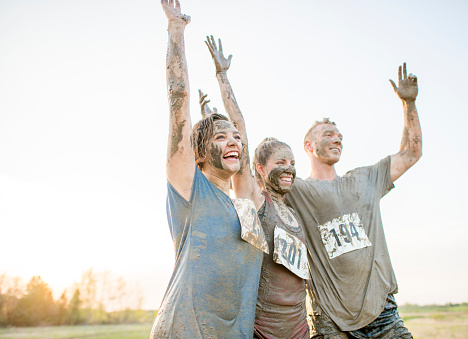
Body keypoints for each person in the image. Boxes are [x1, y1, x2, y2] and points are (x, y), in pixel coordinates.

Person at [150, 1, 264, 338]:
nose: (233, 142)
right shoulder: (189, 187)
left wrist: (223, 77)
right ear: (199, 152)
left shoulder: (245, 204)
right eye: (220, 137)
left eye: (236, 139)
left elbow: (241, 125)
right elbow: (177, 98)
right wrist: (176, 30)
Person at [285, 63, 422, 338]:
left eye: (340, 137)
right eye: (328, 135)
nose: (337, 140)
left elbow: (411, 153)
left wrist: (409, 104)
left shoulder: (365, 178)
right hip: (330, 320)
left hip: (382, 313)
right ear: (308, 146)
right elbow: (249, 181)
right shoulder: (295, 189)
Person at [203, 35, 310, 339]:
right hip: (262, 329)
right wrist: (222, 76)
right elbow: (241, 128)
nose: (288, 167)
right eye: (280, 162)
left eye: (291, 161)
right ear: (260, 169)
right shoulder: (255, 198)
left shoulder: (293, 211)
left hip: (299, 328)